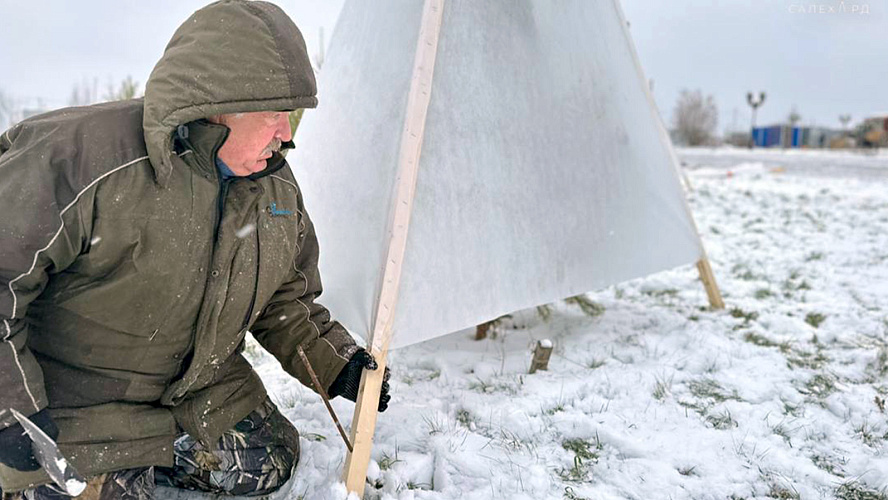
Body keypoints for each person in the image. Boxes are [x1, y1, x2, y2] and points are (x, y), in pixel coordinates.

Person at [0, 1, 390, 498]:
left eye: (290, 114)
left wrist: (340, 365)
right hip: (74, 401)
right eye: (272, 111)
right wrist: (11, 409)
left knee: (269, 462)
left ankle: (145, 460)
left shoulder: (273, 189)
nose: (285, 133)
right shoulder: (80, 158)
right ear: (216, 100)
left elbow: (284, 299)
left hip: (195, 390)